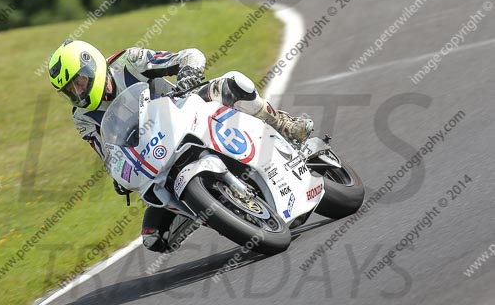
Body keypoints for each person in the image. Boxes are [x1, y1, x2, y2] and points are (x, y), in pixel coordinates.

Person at [48, 39, 313, 252]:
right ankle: (209, 208)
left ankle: (281, 124)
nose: (78, 93)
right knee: (155, 239)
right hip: (153, 156)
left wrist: (187, 73)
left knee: (232, 82)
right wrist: (118, 177)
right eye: (69, 91)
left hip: (182, 109)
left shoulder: (128, 62)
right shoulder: (81, 118)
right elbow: (107, 154)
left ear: (92, 66)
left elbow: (189, 56)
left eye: (79, 82)